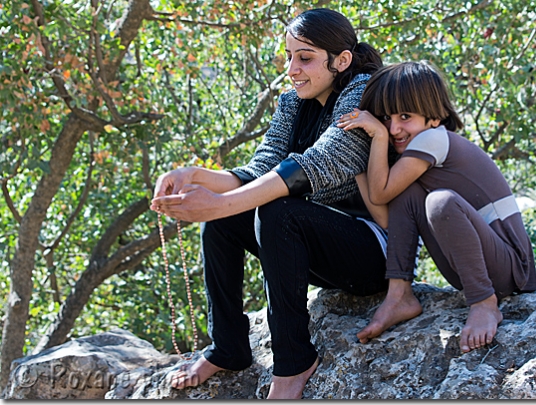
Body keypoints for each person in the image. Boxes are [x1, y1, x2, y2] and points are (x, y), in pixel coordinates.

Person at [151, 8, 389, 399]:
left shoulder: (363, 92)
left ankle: (294, 362)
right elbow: (261, 169)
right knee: (226, 217)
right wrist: (194, 175)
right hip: (319, 246)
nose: (291, 68)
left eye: (305, 58)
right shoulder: (294, 102)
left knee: (274, 210)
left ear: (341, 60)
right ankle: (227, 347)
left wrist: (217, 203)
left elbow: (315, 166)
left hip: (373, 251)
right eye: (288, 56)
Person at [337, 61, 536, 354]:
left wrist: (378, 137)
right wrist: (356, 160)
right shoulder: (414, 159)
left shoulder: (435, 139)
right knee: (410, 195)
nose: (394, 128)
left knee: (440, 201)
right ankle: (399, 295)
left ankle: (484, 304)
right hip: (471, 270)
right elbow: (385, 216)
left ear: (434, 116)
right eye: (386, 119)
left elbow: (378, 193)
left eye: (405, 116)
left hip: (512, 270)